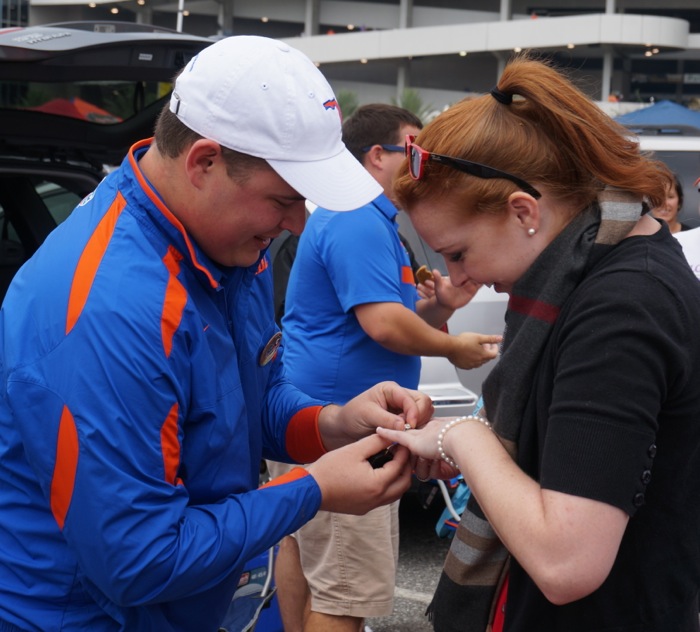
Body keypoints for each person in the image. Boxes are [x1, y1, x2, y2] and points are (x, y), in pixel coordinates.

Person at [0, 36, 436, 631]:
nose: (296, 223)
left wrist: (332, 424)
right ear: (203, 162)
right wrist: (310, 491)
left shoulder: (223, 246)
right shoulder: (110, 310)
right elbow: (139, 558)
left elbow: (248, 400)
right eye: (284, 200)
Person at [377, 54, 700, 632]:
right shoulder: (592, 272)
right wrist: (464, 460)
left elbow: (567, 559)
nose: (461, 276)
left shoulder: (623, 305)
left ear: (523, 210)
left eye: (457, 253)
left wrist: (464, 436)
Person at [272, 103, 502, 632]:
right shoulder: (357, 218)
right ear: (377, 155)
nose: (424, 163)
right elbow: (382, 325)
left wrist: (443, 306)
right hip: (345, 425)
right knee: (345, 588)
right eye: (414, 150)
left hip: (316, 415)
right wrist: (454, 347)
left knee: (306, 558)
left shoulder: (367, 217)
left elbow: (386, 317)